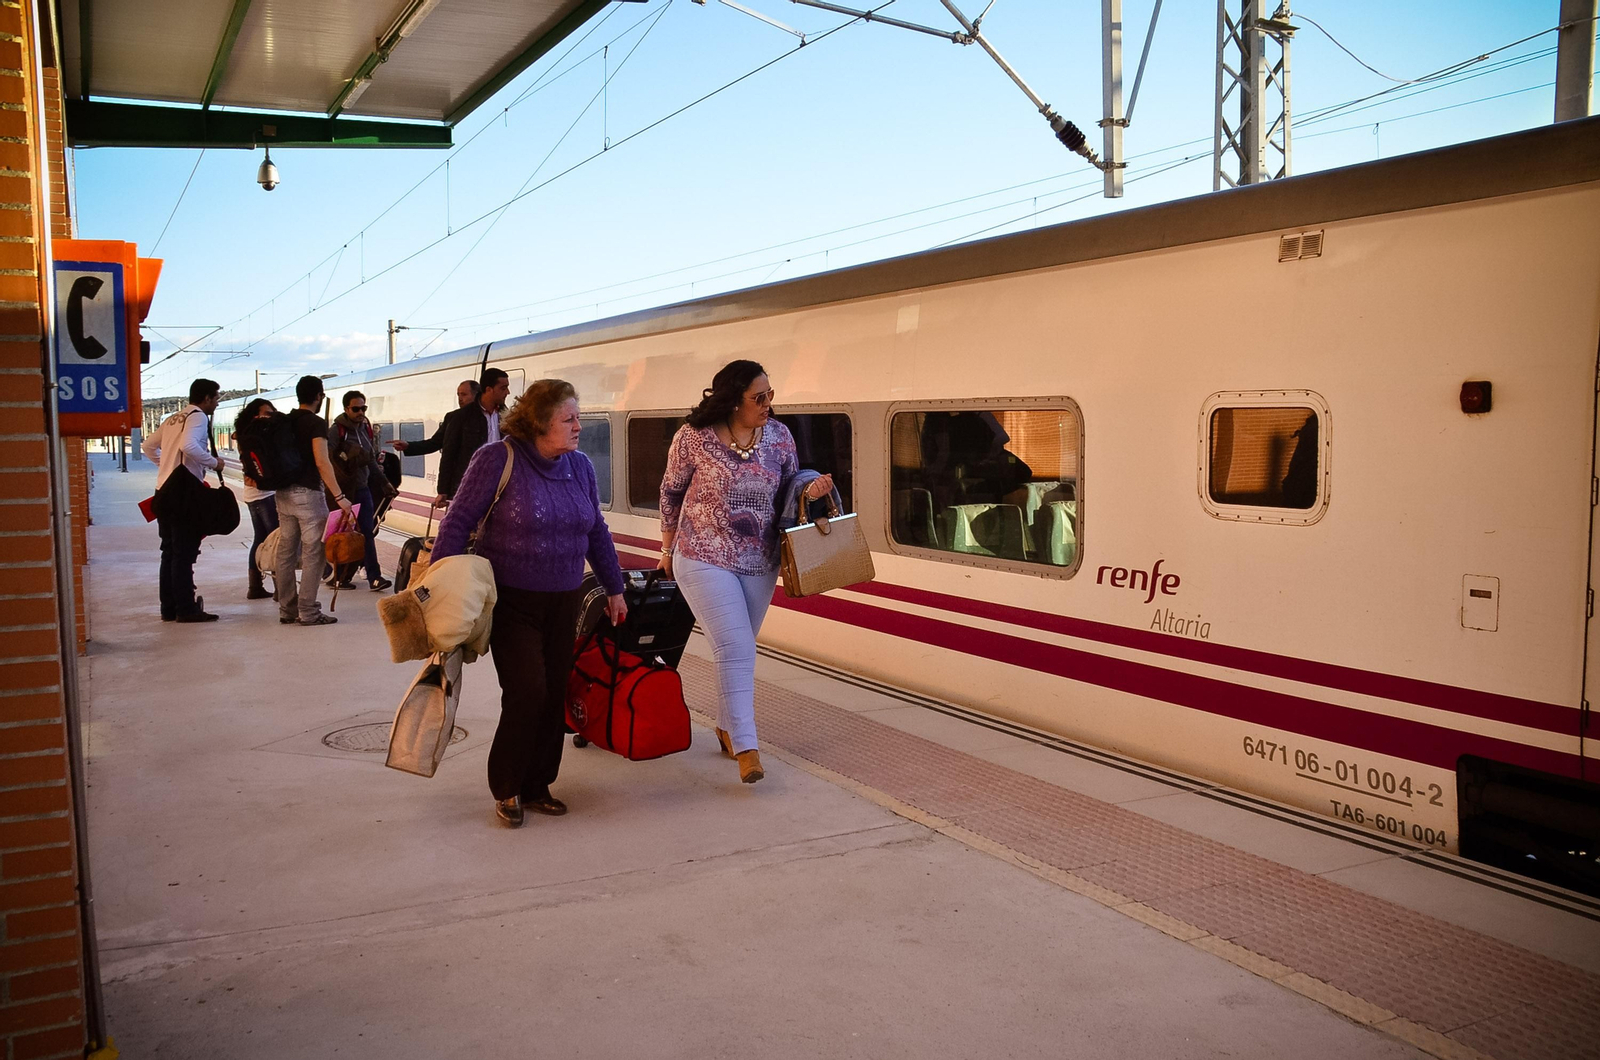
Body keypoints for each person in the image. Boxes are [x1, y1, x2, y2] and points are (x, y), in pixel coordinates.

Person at [431, 379, 627, 828]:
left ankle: (539, 785)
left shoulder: (579, 466)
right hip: (511, 600)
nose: (579, 425)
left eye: (579, 416)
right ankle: (507, 786)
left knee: (553, 693)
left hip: (564, 599)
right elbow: (457, 522)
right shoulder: (498, 458)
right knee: (527, 692)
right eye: (569, 418)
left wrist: (614, 589)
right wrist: (443, 586)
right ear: (540, 423)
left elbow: (595, 529)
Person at [658, 360, 833, 784]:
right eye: (759, 397)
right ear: (734, 400)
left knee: (735, 647)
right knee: (737, 647)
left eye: (770, 395)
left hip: (760, 560)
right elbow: (670, 492)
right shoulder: (693, 438)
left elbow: (791, 481)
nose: (768, 404)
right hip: (702, 554)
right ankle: (747, 745)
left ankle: (724, 725)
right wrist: (666, 548)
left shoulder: (779, 435)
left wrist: (810, 487)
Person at [141, 378, 225, 623]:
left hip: (163, 491)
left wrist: (166, 466)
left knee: (168, 552)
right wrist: (213, 462)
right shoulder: (198, 416)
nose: (217, 404)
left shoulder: (173, 418)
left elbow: (147, 446)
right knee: (184, 553)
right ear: (207, 398)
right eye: (216, 398)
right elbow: (189, 446)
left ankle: (168, 608)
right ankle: (186, 609)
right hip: (183, 494)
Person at [274, 376, 353, 627]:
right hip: (307, 494)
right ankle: (308, 611)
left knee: (286, 551)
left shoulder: (284, 421)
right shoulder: (315, 423)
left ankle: (287, 609)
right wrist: (339, 497)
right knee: (314, 552)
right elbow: (322, 461)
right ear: (319, 396)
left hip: (282, 493)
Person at [326, 390, 395, 592]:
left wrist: (384, 482)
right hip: (344, 491)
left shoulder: (365, 428)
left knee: (367, 532)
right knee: (342, 535)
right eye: (356, 408)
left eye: (363, 408)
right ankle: (338, 576)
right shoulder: (336, 431)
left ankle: (375, 577)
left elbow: (371, 459)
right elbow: (328, 459)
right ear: (346, 409)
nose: (360, 412)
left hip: (363, 488)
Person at [434, 368, 512, 506]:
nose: (507, 392)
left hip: (501, 487)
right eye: (503, 388)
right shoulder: (461, 417)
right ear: (489, 389)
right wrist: (443, 491)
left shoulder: (508, 416)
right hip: (471, 487)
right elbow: (449, 454)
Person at [232, 398, 279, 601]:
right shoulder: (255, 437)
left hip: (252, 495)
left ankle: (255, 586)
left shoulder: (244, 436)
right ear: (254, 415)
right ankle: (280, 589)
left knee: (260, 539)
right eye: (266, 413)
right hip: (264, 495)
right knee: (276, 542)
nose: (270, 417)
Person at [390, 379, 480, 464]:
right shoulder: (452, 418)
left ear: (476, 395)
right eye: (458, 395)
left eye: (464, 394)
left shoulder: (489, 417)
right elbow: (434, 443)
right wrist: (408, 446)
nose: (460, 399)